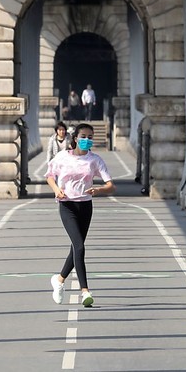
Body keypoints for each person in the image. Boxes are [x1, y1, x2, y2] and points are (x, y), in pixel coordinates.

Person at [45, 123, 116, 307]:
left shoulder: (95, 160)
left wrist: (98, 190)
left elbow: (111, 185)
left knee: (76, 248)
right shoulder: (62, 157)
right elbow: (50, 175)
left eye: (90, 137)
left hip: (85, 206)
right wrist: (56, 190)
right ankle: (85, 291)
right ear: (75, 138)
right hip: (67, 205)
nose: (87, 140)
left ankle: (59, 280)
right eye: (83, 136)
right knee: (80, 246)